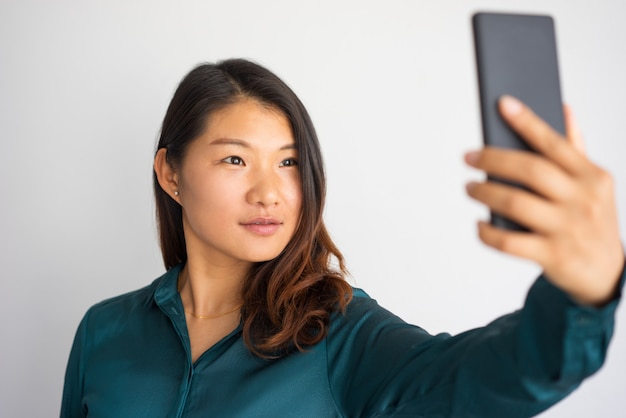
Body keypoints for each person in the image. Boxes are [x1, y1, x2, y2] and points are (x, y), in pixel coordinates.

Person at [61, 59, 625, 417]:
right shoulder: (103, 333)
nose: (270, 192)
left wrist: (584, 295)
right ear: (171, 174)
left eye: (287, 163)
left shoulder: (336, 332)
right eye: (235, 158)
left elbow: (479, 380)